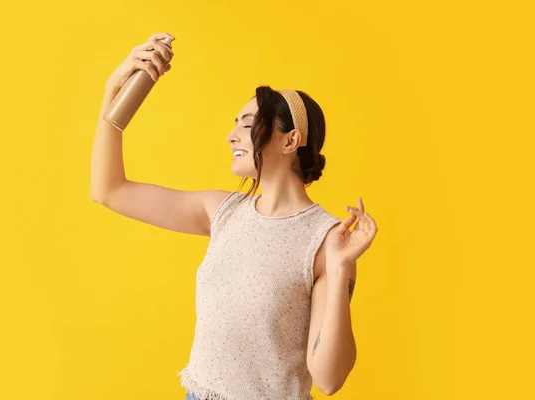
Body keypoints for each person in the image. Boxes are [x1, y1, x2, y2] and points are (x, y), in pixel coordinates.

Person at [90, 32, 378, 400]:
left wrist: (339, 270)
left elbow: (328, 379)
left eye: (246, 124)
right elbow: (108, 190)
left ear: (291, 141)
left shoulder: (325, 241)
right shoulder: (222, 212)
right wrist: (112, 90)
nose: (231, 136)